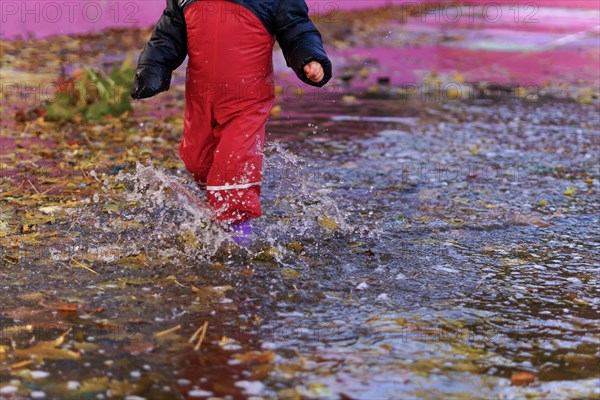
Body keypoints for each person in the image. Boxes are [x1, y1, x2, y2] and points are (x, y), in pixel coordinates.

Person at [131, 0, 332, 239]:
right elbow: (168, 35)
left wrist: (310, 58)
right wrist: (152, 70)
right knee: (197, 159)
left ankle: (237, 238)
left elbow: (297, 28)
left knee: (233, 166)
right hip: (201, 99)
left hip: (246, 101)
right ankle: (219, 210)